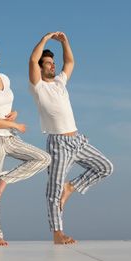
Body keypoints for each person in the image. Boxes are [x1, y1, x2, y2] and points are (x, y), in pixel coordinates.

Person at [29, 32, 114, 245]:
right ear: (40, 68)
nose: (52, 66)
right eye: (47, 63)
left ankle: (71, 187)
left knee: (105, 167)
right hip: (58, 144)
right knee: (53, 189)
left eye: (52, 63)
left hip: (77, 140)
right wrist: (46, 39)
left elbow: (70, 61)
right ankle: (57, 233)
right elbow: (32, 59)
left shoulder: (59, 83)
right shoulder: (38, 87)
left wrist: (65, 41)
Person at [0, 42, 51, 246]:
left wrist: (14, 115)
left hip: (8, 136)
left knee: (44, 158)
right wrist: (18, 125)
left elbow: (5, 106)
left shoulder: (5, 78)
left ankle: (6, 178)